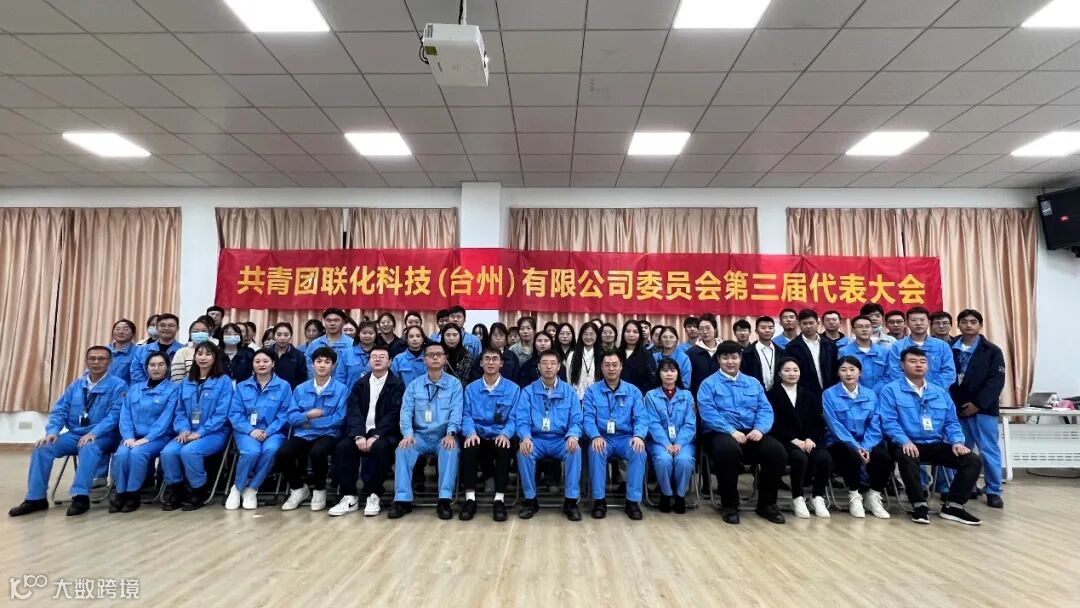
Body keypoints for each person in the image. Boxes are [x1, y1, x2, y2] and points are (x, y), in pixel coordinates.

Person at [9, 346, 126, 517]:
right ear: (86, 361)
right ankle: (36, 498)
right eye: (92, 358)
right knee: (43, 448)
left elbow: (115, 415)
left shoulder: (118, 385)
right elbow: (60, 410)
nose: (96, 362)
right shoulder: (76, 385)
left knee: (88, 446)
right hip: (75, 434)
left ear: (110, 362)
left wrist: (94, 433)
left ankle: (80, 496)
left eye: (101, 359)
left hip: (104, 436)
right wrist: (52, 432)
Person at [879, 347, 983, 526]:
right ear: (902, 365)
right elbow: (889, 422)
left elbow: (951, 422)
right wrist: (904, 441)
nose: (918, 365)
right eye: (912, 361)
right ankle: (919, 505)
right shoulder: (891, 390)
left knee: (972, 460)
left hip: (935, 443)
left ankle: (954, 506)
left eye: (922, 361)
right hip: (906, 443)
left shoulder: (939, 392)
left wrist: (957, 442)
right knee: (907, 456)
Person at [697, 341, 786, 525]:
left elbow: (765, 409)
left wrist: (760, 429)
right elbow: (708, 413)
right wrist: (730, 431)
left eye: (734, 357)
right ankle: (730, 504)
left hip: (752, 432)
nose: (730, 362)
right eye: (725, 358)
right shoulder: (708, 384)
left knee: (776, 451)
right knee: (727, 450)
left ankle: (767, 504)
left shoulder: (753, 383)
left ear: (740, 359)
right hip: (720, 433)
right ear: (718, 360)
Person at [389, 342, 463, 520]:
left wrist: (451, 433)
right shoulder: (414, 385)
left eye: (439, 354)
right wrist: (407, 434)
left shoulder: (455, 384)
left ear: (445, 359)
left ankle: (444, 499)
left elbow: (456, 411)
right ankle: (402, 500)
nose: (435, 357)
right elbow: (406, 412)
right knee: (403, 449)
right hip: (419, 436)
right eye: (431, 355)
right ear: (424, 360)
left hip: (443, 436)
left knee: (450, 449)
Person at [330, 346, 403, 518]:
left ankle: (374, 494)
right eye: (374, 356)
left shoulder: (397, 385)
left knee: (380, 448)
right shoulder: (360, 384)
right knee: (343, 447)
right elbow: (353, 411)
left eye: (382, 357)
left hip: (385, 434)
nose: (377, 359)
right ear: (369, 361)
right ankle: (349, 496)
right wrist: (358, 435)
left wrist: (377, 435)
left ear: (389, 362)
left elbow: (395, 414)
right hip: (361, 432)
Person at [160, 342, 233, 512]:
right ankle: (176, 490)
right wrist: (183, 429)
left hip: (214, 432)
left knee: (189, 452)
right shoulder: (186, 381)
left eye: (208, 354)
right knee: (168, 452)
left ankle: (198, 490)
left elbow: (222, 413)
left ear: (215, 358)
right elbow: (179, 411)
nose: (203, 358)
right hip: (187, 432)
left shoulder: (223, 381)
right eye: (199, 354)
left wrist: (200, 433)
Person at [515, 350, 584, 521]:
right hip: (536, 439)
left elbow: (576, 420)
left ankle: (571, 501)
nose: (548, 366)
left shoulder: (569, 392)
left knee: (575, 450)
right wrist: (525, 437)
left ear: (559, 367)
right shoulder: (528, 392)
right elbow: (522, 420)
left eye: (553, 363)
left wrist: (573, 436)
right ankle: (530, 500)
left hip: (561, 440)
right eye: (544, 363)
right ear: (538, 367)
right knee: (523, 451)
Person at [278, 347, 348, 512]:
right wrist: (307, 415)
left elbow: (340, 418)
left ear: (333, 366)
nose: (322, 365)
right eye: (319, 361)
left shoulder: (341, 389)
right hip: (303, 433)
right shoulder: (301, 388)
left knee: (318, 452)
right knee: (283, 454)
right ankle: (298, 488)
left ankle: (319, 489)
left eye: (327, 362)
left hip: (329, 434)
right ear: (312, 364)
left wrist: (311, 423)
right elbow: (292, 417)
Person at [822, 356, 892, 519]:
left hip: (868, 442)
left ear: (860, 372)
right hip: (840, 442)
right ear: (838, 373)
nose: (848, 373)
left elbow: (875, 424)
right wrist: (856, 447)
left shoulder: (871, 395)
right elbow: (835, 426)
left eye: (852, 369)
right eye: (843, 370)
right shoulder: (829, 394)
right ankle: (854, 495)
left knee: (884, 458)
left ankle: (873, 496)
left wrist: (865, 446)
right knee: (851, 456)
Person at [109, 352, 178, 513]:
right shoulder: (135, 389)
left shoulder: (173, 390)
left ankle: (133, 494)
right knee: (121, 454)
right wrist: (128, 436)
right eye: (152, 365)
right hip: (132, 437)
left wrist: (148, 438)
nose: (156, 368)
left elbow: (166, 419)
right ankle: (120, 492)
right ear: (146, 368)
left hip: (159, 437)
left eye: (161, 365)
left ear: (167, 368)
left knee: (137, 453)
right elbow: (125, 415)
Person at [950, 309, 1006, 509]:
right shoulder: (949, 348)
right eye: (964, 321)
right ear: (958, 324)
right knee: (960, 449)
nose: (968, 325)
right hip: (956, 408)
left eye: (973, 322)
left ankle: (993, 490)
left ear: (980, 325)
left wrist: (977, 404)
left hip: (983, 409)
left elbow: (996, 381)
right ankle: (967, 487)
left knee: (988, 449)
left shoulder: (992, 350)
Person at [224, 349, 291, 510]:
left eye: (265, 361)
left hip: (273, 432)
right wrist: (250, 430)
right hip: (246, 431)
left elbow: (284, 414)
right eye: (257, 361)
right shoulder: (242, 387)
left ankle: (252, 488)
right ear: (253, 365)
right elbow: (235, 413)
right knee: (251, 451)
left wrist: (268, 431)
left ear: (273, 363)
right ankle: (237, 488)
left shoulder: (284, 386)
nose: (261, 364)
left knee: (271, 450)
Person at [584, 352, 648, 520]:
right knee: (595, 450)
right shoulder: (592, 391)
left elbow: (641, 417)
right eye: (607, 365)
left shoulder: (633, 391)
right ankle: (599, 500)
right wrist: (595, 436)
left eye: (614, 365)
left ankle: (632, 501)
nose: (611, 368)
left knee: (639, 451)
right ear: (601, 368)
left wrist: (639, 436)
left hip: (626, 438)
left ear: (621, 367)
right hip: (602, 437)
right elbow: (588, 418)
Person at [459, 347, 521, 522]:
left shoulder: (513, 389)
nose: (491, 362)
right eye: (487, 359)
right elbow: (466, 415)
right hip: (478, 434)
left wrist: (506, 434)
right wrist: (470, 433)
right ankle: (470, 499)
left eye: (495, 359)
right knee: (469, 447)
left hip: (500, 434)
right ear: (481, 363)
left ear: (501, 364)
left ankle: (499, 499)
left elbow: (515, 417)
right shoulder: (471, 389)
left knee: (504, 449)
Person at [766, 358, 831, 519]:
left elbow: (817, 421)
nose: (792, 373)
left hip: (808, 440)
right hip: (784, 440)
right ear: (779, 373)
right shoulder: (771, 395)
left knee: (824, 458)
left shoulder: (809, 394)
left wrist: (810, 438)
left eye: (795, 370)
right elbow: (773, 423)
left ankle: (818, 497)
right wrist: (794, 440)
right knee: (799, 458)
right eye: (787, 370)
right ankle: (797, 497)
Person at [644, 358, 695, 514]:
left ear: (678, 373)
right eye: (665, 370)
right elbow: (653, 423)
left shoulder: (687, 396)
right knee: (663, 459)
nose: (669, 374)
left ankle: (680, 495)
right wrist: (666, 443)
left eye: (672, 370)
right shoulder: (650, 396)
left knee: (684, 460)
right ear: (659, 373)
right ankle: (666, 494)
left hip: (683, 442)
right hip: (659, 442)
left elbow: (690, 424)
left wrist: (679, 443)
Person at [884, 307, 957, 390]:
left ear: (929, 323)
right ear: (907, 323)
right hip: (906, 392)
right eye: (914, 320)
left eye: (922, 320)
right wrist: (914, 388)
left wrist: (929, 389)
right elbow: (895, 372)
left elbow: (949, 373)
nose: (918, 323)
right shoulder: (897, 346)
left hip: (937, 393)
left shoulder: (942, 346)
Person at [784, 309, 839, 395]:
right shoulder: (792, 347)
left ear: (818, 323)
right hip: (805, 393)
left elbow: (835, 368)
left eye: (811, 323)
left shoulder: (830, 344)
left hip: (830, 391)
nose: (808, 326)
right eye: (805, 323)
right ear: (799, 324)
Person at [837, 315, 890, 392]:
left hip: (880, 394)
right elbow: (841, 376)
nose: (864, 329)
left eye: (867, 326)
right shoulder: (843, 352)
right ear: (852, 330)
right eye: (860, 327)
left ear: (872, 329)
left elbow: (888, 375)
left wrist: (875, 391)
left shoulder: (884, 351)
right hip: (855, 394)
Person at [130, 313, 182, 384]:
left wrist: (168, 388)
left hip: (174, 390)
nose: (166, 328)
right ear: (157, 328)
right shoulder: (142, 350)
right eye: (162, 325)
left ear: (178, 329)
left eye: (171, 325)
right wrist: (148, 387)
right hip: (144, 389)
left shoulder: (183, 350)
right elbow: (136, 372)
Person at [305, 308, 355, 377]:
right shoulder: (314, 344)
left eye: (336, 320)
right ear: (324, 322)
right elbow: (309, 368)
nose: (332, 323)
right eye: (329, 320)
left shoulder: (351, 344)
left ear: (343, 322)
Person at [740, 316, 782, 391]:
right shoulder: (747, 353)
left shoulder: (781, 352)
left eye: (770, 328)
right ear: (756, 331)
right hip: (754, 392)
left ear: (774, 330)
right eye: (763, 328)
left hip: (777, 393)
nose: (767, 330)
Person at [169, 316, 216, 381]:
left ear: (209, 334)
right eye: (196, 331)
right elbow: (176, 379)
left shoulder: (216, 351)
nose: (200, 333)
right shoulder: (182, 352)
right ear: (190, 335)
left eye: (204, 331)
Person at [618, 320, 658, 394]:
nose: (631, 335)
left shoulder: (646, 354)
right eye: (628, 331)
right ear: (623, 333)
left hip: (639, 395)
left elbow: (652, 380)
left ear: (640, 334)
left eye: (635, 332)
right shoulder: (617, 353)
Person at [686, 314, 721, 396]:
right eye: (701, 329)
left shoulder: (723, 350)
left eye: (708, 328)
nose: (705, 332)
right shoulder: (690, 353)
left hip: (723, 397)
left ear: (715, 329)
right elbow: (688, 380)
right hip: (700, 397)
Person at [565, 322, 602, 399]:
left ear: (597, 336)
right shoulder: (572, 355)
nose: (588, 337)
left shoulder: (602, 355)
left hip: (597, 398)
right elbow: (569, 378)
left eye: (591, 334)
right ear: (581, 335)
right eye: (585, 334)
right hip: (577, 397)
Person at [652, 326, 692, 390]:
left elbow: (685, 383)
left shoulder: (684, 358)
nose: (668, 339)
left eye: (671, 337)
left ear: (676, 340)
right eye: (665, 337)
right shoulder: (654, 357)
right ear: (660, 339)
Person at [269, 322, 307, 388]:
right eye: (279, 335)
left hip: (290, 391)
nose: (282, 338)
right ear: (274, 336)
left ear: (291, 336)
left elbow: (302, 379)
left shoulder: (298, 356)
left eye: (286, 335)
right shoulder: (266, 353)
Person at [342, 320, 378, 388]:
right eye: (364, 333)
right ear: (358, 334)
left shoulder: (381, 353)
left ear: (376, 335)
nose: (367, 336)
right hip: (351, 393)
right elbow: (340, 377)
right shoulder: (347, 353)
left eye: (371, 333)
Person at [441, 324, 474, 388]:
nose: (451, 338)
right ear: (443, 336)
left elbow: (465, 379)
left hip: (459, 390)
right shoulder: (438, 353)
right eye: (448, 335)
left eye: (455, 335)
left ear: (460, 336)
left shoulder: (467, 355)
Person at [107, 319, 137, 384]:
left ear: (133, 333)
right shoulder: (104, 350)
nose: (121, 332)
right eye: (117, 329)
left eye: (125, 329)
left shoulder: (138, 352)